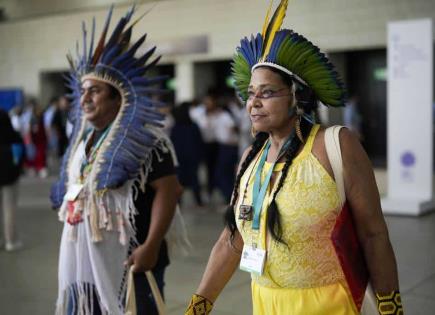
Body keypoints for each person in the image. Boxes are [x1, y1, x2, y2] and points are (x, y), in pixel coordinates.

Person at [185, 1, 403, 315]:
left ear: (297, 97)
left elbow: (373, 234)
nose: (254, 103)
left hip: (329, 304)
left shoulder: (336, 146)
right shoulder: (251, 158)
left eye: (268, 92)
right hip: (266, 301)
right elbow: (231, 239)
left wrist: (391, 307)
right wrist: (198, 307)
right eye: (250, 93)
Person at [50, 7, 181, 315]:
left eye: (94, 91)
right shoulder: (83, 142)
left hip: (134, 259)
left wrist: (150, 246)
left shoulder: (149, 140)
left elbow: (169, 189)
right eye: (82, 92)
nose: (84, 100)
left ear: (117, 96)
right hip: (84, 259)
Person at [170, 101, 204, 206]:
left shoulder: (175, 127)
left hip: (179, 157)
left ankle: (178, 202)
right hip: (192, 157)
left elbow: (172, 143)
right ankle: (198, 201)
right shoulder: (193, 126)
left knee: (179, 180)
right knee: (194, 179)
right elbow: (199, 142)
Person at [0, 109, 24, 251]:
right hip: (10, 179)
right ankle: (11, 241)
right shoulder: (14, 137)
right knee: (9, 210)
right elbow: (20, 158)